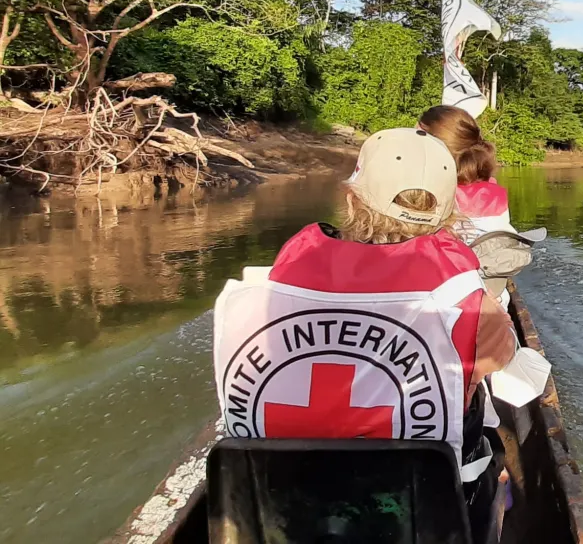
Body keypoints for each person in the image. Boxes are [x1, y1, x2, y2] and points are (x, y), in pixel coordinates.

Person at [212, 128, 516, 542]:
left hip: (285, 499)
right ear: (450, 211)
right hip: (418, 510)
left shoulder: (294, 258)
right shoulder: (462, 288)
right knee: (488, 435)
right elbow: (497, 361)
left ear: (351, 197)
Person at [417, 105, 544, 307]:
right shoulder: (495, 191)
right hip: (495, 300)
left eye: (418, 134)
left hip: (446, 306)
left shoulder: (429, 195)